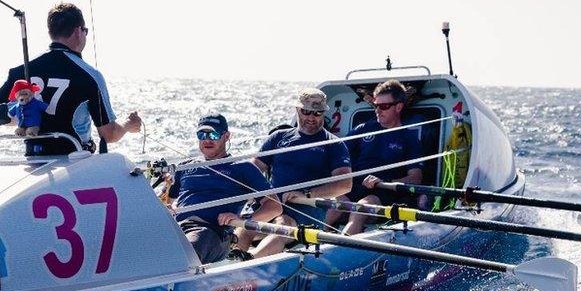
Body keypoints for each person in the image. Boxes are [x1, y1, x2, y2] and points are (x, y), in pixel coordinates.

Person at [0, 3, 141, 155]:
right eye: (85, 31)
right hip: (74, 160)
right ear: (78, 31)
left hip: (33, 162)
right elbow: (109, 134)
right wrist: (129, 125)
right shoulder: (89, 76)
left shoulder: (20, 71)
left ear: (51, 32)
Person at [225, 88, 352, 258]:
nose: (311, 117)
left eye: (317, 113)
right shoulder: (278, 137)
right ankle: (235, 263)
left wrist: (307, 194)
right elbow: (252, 172)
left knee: (282, 224)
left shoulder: (334, 144)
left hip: (306, 209)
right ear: (298, 110)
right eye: (306, 111)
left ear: (323, 113)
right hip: (272, 204)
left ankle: (250, 262)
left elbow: (345, 185)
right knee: (246, 225)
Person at [167, 114, 281, 264]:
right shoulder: (185, 166)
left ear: (226, 136)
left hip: (211, 233)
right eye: (202, 135)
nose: (207, 140)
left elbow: (274, 207)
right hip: (176, 227)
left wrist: (243, 220)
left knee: (186, 252)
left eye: (213, 135)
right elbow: (170, 199)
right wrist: (169, 207)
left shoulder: (242, 168)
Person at [334, 80, 424, 235]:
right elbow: (337, 153)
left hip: (385, 192)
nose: (377, 110)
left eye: (383, 106)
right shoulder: (364, 129)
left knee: (361, 208)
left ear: (398, 107)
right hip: (356, 187)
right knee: (333, 206)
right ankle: (319, 244)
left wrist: (385, 183)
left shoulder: (409, 138)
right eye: (375, 105)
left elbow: (416, 178)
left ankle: (337, 249)